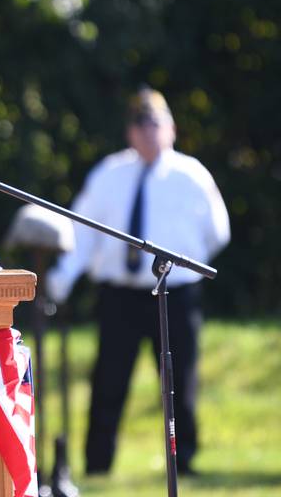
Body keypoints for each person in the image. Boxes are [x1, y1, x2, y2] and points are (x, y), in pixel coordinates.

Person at [46, 87, 230, 476]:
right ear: (130, 133)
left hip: (176, 293)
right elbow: (81, 233)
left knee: (179, 380)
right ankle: (97, 466)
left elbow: (218, 232)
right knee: (109, 381)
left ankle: (185, 463)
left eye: (155, 124)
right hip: (120, 296)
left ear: (171, 129)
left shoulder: (192, 175)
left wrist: (187, 270)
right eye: (140, 125)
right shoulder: (109, 174)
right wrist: (61, 279)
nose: (148, 133)